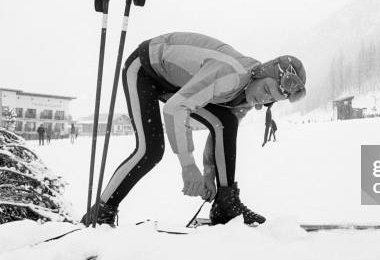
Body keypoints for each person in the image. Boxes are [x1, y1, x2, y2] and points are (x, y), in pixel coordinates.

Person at [82, 32, 306, 227]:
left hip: (175, 82)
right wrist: (188, 166)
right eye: (266, 89)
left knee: (227, 123)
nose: (263, 99)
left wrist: (209, 174)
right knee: (150, 150)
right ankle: (100, 213)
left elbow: (218, 130)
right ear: (261, 72)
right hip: (145, 68)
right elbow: (175, 109)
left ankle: (226, 203)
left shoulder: (247, 96)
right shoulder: (232, 75)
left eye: (271, 99)